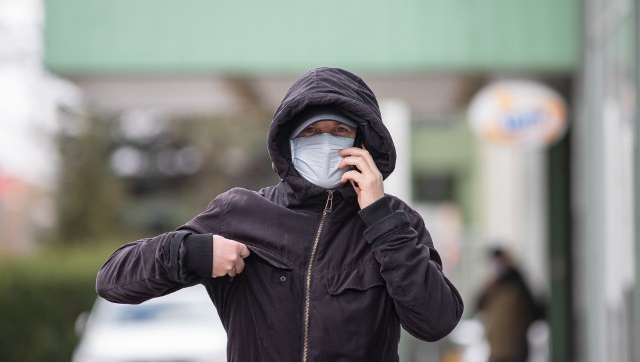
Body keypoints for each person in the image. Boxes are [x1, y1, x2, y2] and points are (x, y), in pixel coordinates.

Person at [96, 67, 464, 362]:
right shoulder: (240, 213)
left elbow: (436, 321)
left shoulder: (397, 221)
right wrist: (192, 253)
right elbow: (113, 280)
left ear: (361, 142)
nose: (325, 142)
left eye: (339, 130)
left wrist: (380, 219)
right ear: (289, 141)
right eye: (311, 132)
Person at [475, 247, 542, 362]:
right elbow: (477, 306)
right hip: (497, 350)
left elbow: (535, 312)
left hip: (516, 350)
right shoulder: (492, 287)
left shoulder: (518, 285)